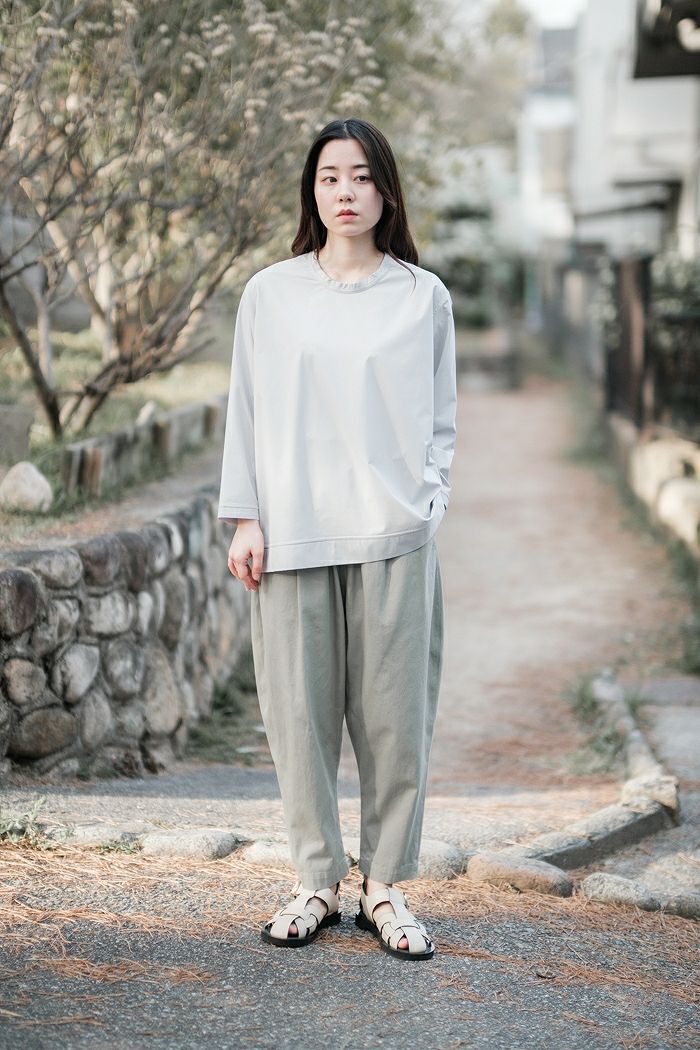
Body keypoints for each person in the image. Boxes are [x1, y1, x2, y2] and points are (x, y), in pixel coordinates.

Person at [217, 117, 457, 961]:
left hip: (394, 535)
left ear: (386, 190)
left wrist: (427, 501)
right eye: (329, 177)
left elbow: (442, 418)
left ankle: (385, 887)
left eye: (361, 176)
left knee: (396, 723)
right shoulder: (269, 294)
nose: (345, 192)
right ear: (311, 191)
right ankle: (316, 879)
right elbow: (246, 408)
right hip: (293, 532)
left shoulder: (422, 296)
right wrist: (246, 516)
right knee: (299, 717)